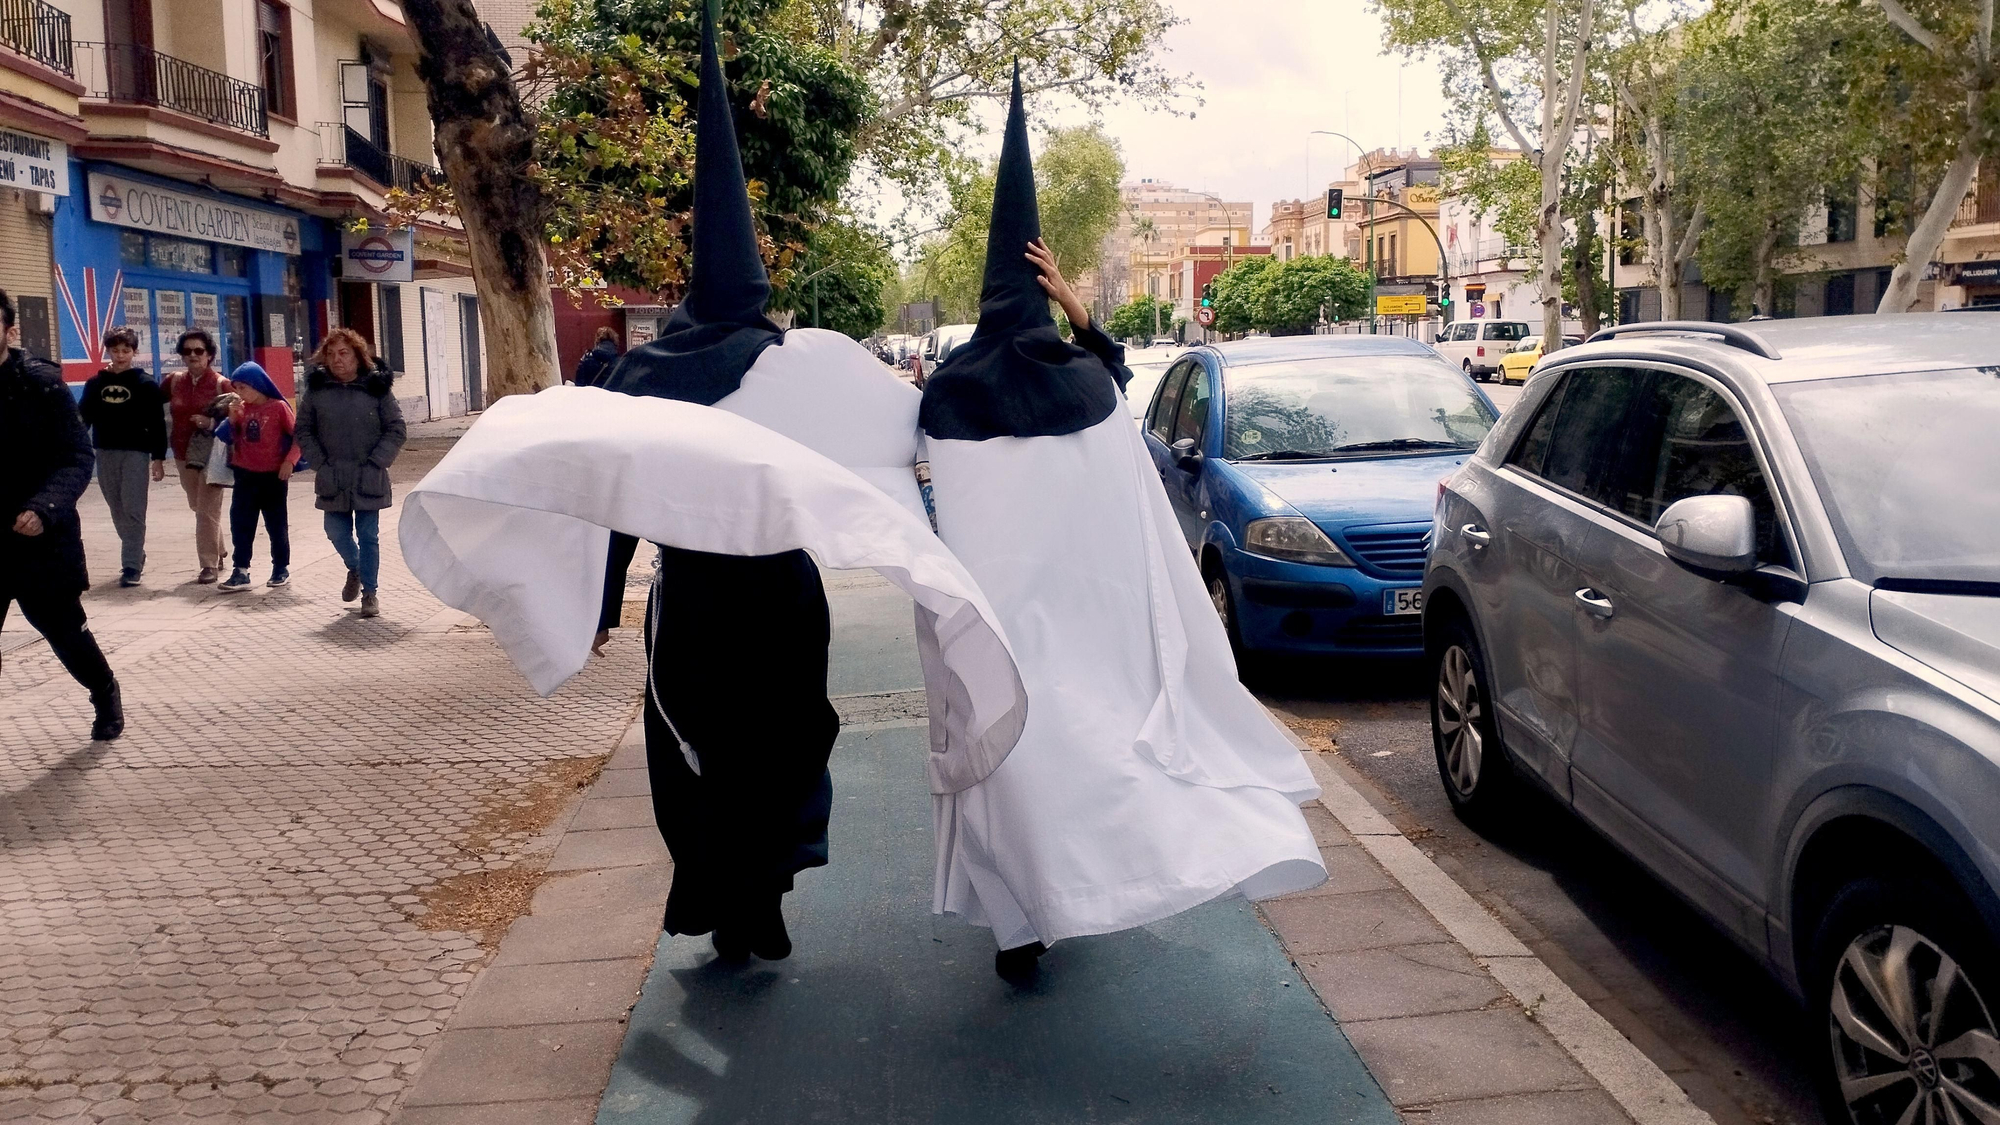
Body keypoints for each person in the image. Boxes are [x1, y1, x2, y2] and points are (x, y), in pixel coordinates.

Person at [397, 0, 1027, 967]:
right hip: (780, 599)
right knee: (786, 746)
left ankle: (729, 900)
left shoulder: (644, 373)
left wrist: (604, 600)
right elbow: (912, 432)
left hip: (691, 604)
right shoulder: (803, 366)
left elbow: (606, 490)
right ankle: (761, 891)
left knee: (698, 755)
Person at [919, 69, 1325, 981]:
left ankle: (1019, 920)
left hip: (986, 619)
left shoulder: (944, 393)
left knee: (1002, 755)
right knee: (1074, 747)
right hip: (1077, 615)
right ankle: (1068, 890)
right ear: (1040, 293)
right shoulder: (1089, 387)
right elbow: (1114, 370)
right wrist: (1075, 304)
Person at [0, 288, 123, 740]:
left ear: (9, 329)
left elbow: (76, 455)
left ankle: (104, 690)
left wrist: (44, 507)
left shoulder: (41, 383)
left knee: (64, 632)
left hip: (40, 538)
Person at [296, 329, 405, 618]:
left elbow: (396, 428)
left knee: (368, 534)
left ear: (358, 355)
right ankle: (354, 566)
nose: (336, 360)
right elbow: (303, 430)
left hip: (369, 474)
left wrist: (376, 462)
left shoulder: (376, 389)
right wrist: (320, 462)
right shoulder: (317, 391)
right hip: (333, 476)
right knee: (335, 531)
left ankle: (370, 593)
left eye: (343, 353)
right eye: (331, 354)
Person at [77, 326, 168, 587]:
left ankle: (130, 565)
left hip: (136, 453)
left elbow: (157, 423)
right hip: (104, 451)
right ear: (108, 351)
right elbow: (83, 417)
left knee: (134, 508)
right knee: (117, 508)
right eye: (115, 350)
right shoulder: (96, 384)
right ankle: (135, 551)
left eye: (126, 350)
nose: (120, 355)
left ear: (134, 352)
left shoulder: (145, 384)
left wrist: (158, 458)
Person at [215, 362, 299, 593]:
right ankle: (241, 570)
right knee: (241, 522)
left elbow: (298, 436)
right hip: (245, 474)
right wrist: (232, 420)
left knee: (276, 523)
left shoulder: (279, 407)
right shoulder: (241, 408)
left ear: (257, 384)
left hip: (273, 476)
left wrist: (289, 461)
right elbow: (226, 437)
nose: (240, 393)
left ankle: (280, 567)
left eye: (244, 387)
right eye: (237, 388)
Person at [162, 329, 230, 582]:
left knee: (207, 510)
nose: (193, 355)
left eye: (198, 351)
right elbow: (149, 403)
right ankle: (219, 549)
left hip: (213, 454)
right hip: (182, 452)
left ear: (210, 355)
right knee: (197, 505)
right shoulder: (174, 381)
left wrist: (210, 423)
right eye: (187, 351)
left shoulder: (221, 384)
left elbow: (237, 416)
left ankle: (208, 565)